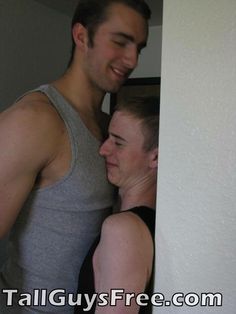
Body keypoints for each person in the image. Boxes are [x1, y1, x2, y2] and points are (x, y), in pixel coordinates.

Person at [0, 0, 151, 313]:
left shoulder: (110, 128)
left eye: (139, 47)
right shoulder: (35, 119)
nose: (132, 59)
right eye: (120, 42)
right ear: (82, 36)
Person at [75, 96, 159, 313]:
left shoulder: (123, 229)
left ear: (155, 157)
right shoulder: (147, 224)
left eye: (118, 142)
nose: (103, 150)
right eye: (107, 138)